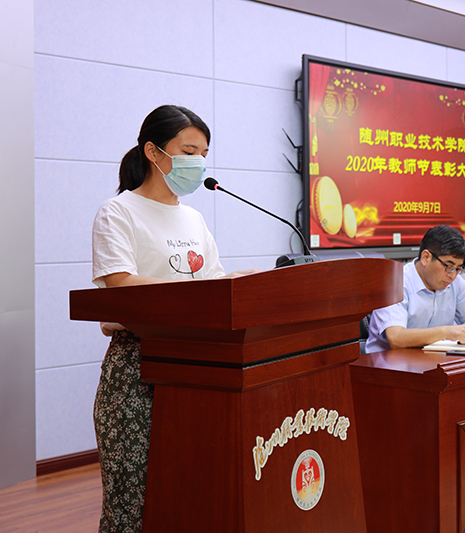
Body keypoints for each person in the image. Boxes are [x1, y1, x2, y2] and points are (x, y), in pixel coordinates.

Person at [91, 105, 256, 533]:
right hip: (139, 368)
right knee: (133, 503)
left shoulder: (193, 218)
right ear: (153, 152)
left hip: (200, 367)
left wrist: (235, 284)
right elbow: (120, 283)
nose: (198, 162)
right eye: (188, 151)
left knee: (191, 493)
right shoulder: (118, 211)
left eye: (204, 153)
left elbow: (213, 286)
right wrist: (198, 289)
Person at [365, 225, 465, 353]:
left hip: (433, 359)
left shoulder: (455, 282)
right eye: (448, 266)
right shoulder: (394, 283)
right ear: (426, 258)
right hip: (390, 362)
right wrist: (446, 331)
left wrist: (462, 331)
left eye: (458, 268)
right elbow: (396, 338)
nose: (452, 275)